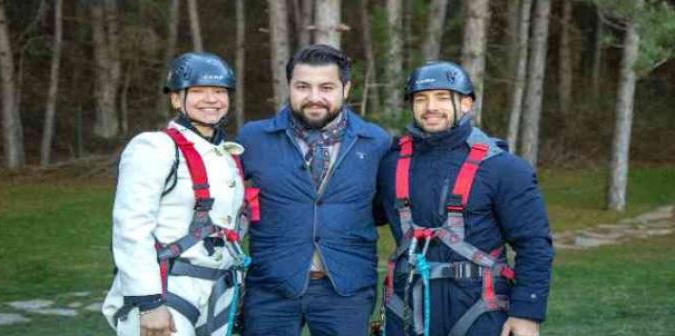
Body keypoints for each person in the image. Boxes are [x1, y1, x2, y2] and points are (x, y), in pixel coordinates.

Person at [375, 61, 553, 336]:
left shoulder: (503, 168)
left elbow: (534, 244)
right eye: (421, 99)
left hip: (481, 308)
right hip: (408, 307)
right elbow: (357, 214)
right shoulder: (390, 164)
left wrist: (527, 313)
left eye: (442, 97)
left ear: (467, 104)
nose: (430, 107)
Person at [235, 44, 391, 335]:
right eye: (303, 86)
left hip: (346, 289)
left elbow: (383, 210)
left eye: (326, 87)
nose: (314, 97)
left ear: (346, 89)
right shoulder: (253, 138)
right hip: (271, 288)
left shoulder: (376, 143)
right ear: (289, 87)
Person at [102, 52, 252, 336]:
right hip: (167, 289)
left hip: (218, 289)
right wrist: (148, 303)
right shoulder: (155, 148)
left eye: (219, 91)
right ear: (175, 99)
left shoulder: (226, 155)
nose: (211, 99)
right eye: (198, 91)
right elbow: (131, 227)